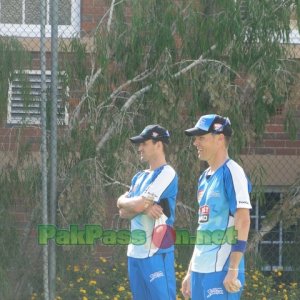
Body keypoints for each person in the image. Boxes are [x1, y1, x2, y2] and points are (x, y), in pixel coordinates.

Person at [181, 114, 252, 300]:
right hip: (199, 270)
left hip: (221, 271)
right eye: (195, 138)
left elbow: (243, 221)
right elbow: (203, 227)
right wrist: (190, 271)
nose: (195, 142)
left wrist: (234, 268)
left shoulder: (232, 172)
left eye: (201, 138)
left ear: (220, 139)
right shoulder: (203, 176)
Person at [117, 124, 178, 300]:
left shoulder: (167, 173)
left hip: (156, 252)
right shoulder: (139, 176)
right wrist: (133, 204)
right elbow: (122, 211)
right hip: (135, 253)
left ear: (158, 144)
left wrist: (138, 205)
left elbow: (135, 207)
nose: (140, 148)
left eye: (144, 143)